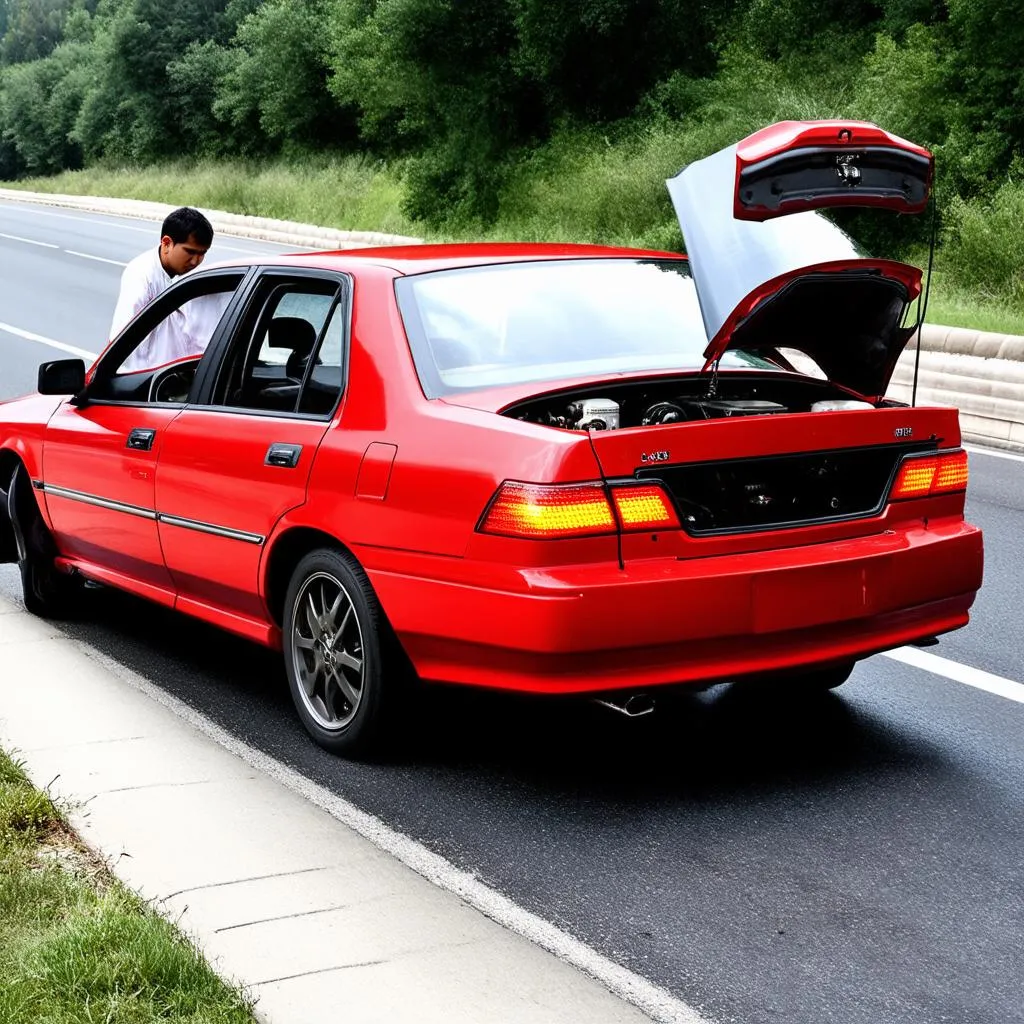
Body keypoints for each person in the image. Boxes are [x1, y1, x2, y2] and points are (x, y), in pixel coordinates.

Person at [109, 206, 215, 373]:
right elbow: (119, 338)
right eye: (190, 252)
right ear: (166, 243)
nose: (195, 261)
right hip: (153, 383)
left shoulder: (195, 277)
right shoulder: (143, 275)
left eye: (202, 253)